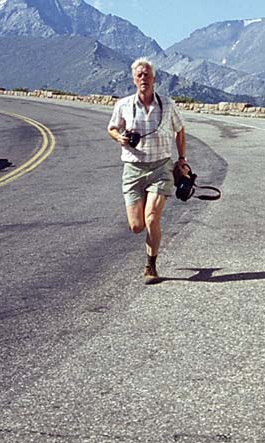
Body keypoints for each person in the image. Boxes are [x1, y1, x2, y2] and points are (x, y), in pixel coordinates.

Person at [107, 57, 189, 284]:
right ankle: (147, 238)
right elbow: (112, 128)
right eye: (139, 75)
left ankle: (151, 265)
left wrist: (181, 159)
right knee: (136, 226)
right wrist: (120, 138)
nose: (143, 78)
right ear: (134, 79)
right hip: (133, 169)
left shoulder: (167, 105)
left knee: (152, 218)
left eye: (147, 74)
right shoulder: (123, 105)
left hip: (160, 167)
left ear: (154, 78)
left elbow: (180, 131)